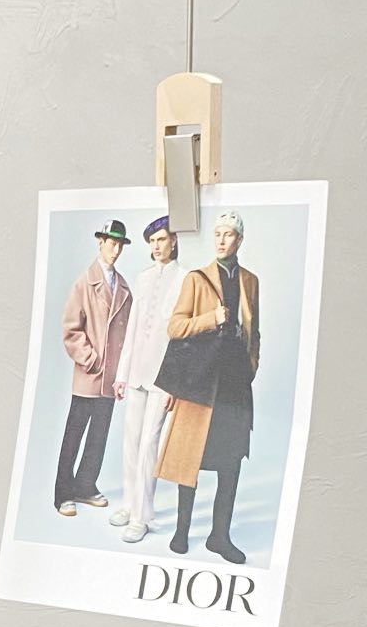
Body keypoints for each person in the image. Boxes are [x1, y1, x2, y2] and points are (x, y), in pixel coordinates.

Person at [155, 210, 261, 563]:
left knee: (231, 462)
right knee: (191, 457)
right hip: (201, 381)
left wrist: (251, 367)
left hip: (234, 384)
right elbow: (175, 327)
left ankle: (220, 536)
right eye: (217, 234)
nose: (221, 240)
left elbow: (255, 332)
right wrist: (210, 319)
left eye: (228, 234)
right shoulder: (197, 279)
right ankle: (182, 531)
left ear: (239, 240)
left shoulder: (250, 281)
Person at [109, 216, 183, 543]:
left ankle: (141, 516)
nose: (156, 246)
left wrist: (175, 384)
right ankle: (129, 504)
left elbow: (182, 339)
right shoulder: (142, 278)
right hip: (137, 371)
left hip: (163, 378)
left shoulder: (185, 279)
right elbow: (133, 328)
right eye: (152, 241)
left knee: (149, 444)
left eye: (162, 240)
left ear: (174, 241)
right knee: (131, 441)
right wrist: (122, 375)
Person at [54, 217, 133, 517]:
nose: (116, 250)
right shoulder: (84, 283)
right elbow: (71, 329)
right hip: (90, 374)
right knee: (74, 435)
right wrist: (92, 359)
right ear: (100, 243)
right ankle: (63, 493)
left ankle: (86, 485)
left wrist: (121, 373)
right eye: (111, 244)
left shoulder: (124, 287)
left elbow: (129, 334)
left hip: (111, 378)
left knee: (99, 435)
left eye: (120, 245)